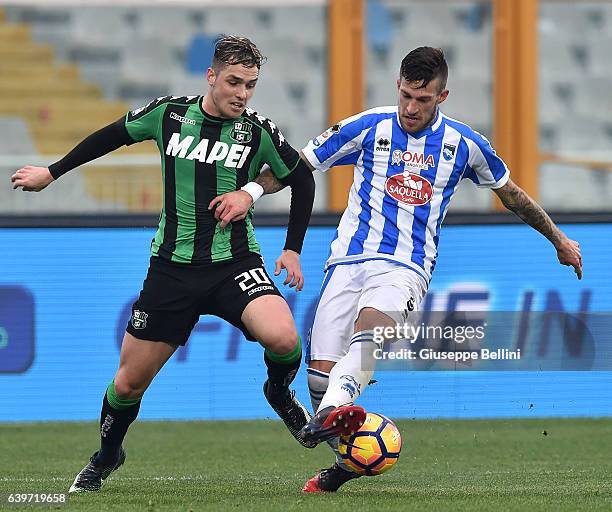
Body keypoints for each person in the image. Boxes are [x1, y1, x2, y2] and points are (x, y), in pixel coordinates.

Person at [215, 46, 583, 492]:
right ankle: (342, 459)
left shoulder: (465, 145)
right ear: (398, 86)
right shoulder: (367, 126)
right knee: (318, 380)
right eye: (406, 95)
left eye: (423, 100)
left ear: (442, 96)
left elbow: (511, 194)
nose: (411, 107)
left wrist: (559, 239)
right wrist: (251, 191)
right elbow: (298, 166)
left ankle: (335, 411)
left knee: (371, 328)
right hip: (347, 262)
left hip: (406, 265)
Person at [11, 35, 316, 493]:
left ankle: (278, 391)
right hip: (172, 270)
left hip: (234, 262)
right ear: (210, 77)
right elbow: (110, 137)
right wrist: (52, 172)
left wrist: (292, 248)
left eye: (251, 85)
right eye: (234, 82)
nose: (242, 94)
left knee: (284, 336)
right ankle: (108, 453)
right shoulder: (170, 115)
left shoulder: (257, 132)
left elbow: (303, 180)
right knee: (129, 385)